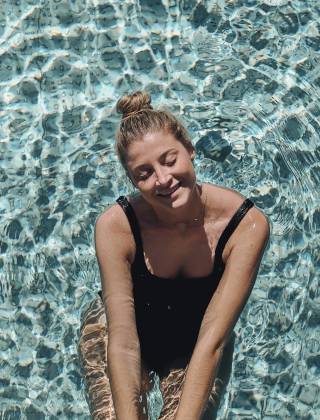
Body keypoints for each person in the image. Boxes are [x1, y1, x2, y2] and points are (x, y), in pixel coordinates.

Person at [78, 91, 270, 420]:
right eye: (144, 173)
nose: (163, 179)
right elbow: (123, 340)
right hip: (116, 334)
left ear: (190, 150)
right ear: (132, 180)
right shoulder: (115, 226)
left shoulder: (245, 226)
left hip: (197, 346)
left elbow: (213, 338)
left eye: (170, 160)